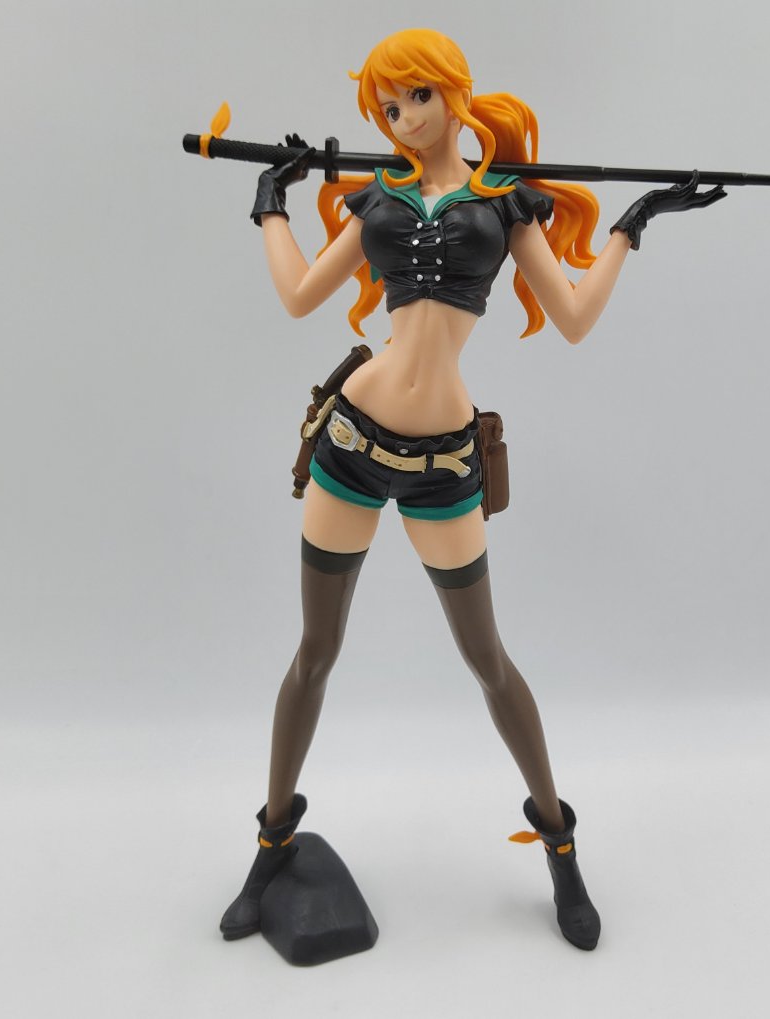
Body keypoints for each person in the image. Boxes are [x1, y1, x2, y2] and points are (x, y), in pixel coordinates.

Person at [219, 27, 726, 952]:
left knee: (488, 660)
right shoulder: (376, 197)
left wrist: (629, 225)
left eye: (415, 97)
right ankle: (272, 842)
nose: (402, 117)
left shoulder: (504, 204)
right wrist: (269, 204)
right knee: (315, 652)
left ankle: (560, 844)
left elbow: (572, 316)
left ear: (453, 94)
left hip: (444, 465)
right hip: (349, 444)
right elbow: (298, 297)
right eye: (386, 107)